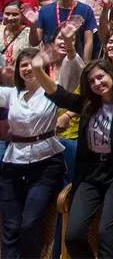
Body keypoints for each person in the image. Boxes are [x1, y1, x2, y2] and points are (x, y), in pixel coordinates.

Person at [31, 46, 113, 258]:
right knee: (73, 236)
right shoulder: (87, 104)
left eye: (100, 77)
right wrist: (37, 68)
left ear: (111, 75)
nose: (97, 83)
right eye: (91, 81)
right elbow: (57, 92)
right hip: (91, 174)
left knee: (105, 232)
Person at [0, 48, 65, 258]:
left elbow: (74, 69)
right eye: (23, 65)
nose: (28, 68)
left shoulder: (52, 91)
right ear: (17, 70)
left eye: (32, 64)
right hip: (13, 163)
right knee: (10, 226)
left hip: (45, 163)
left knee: (28, 223)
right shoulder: (11, 94)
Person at [29, 0, 97, 63]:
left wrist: (85, 64)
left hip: (75, 61)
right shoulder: (45, 10)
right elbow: (35, 42)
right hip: (50, 62)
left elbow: (88, 41)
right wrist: (33, 25)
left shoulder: (86, 10)